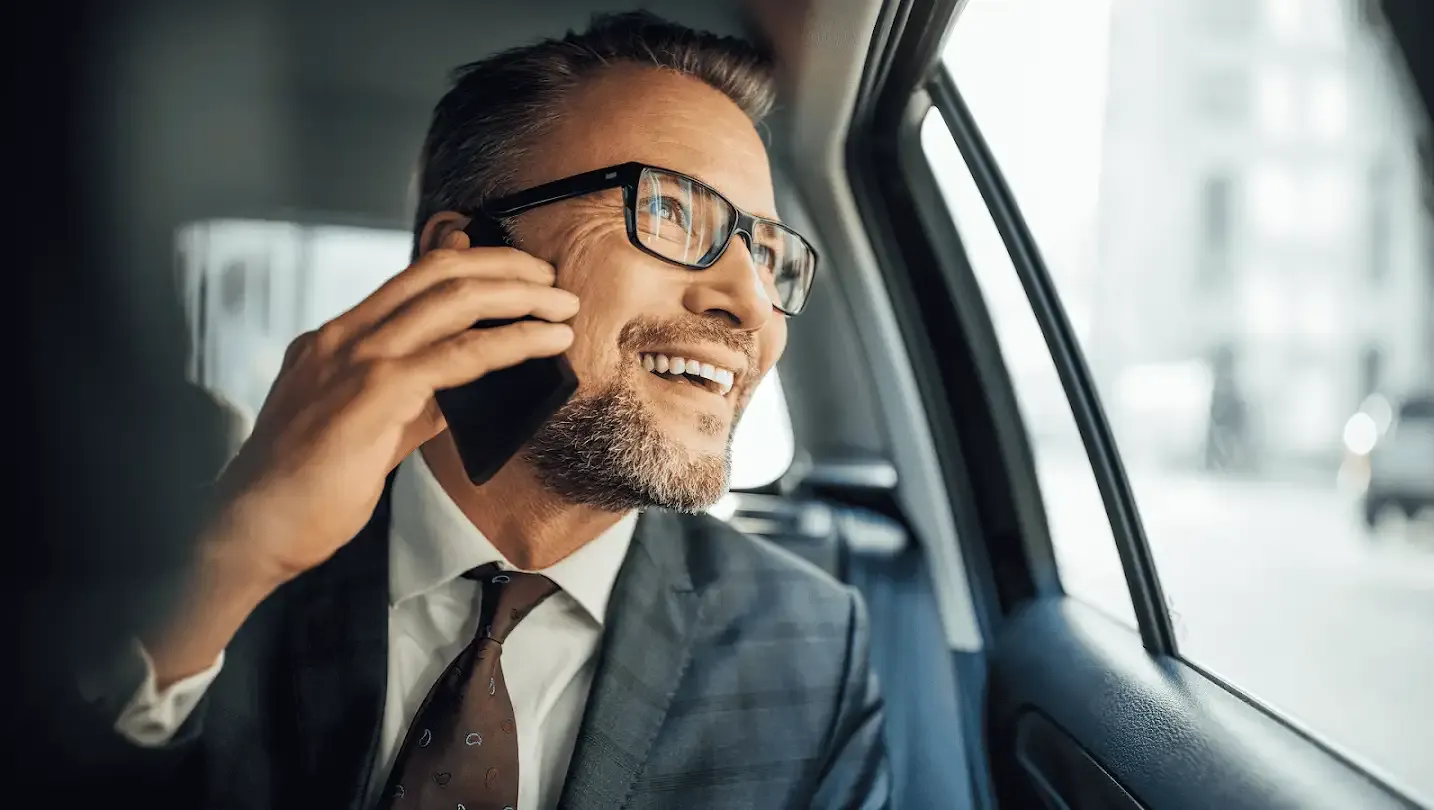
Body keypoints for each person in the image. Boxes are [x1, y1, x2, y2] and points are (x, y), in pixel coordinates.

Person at [76, 11, 888, 810]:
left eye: (770, 254)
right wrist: (228, 565)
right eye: (671, 211)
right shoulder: (193, 572)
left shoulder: (814, 647)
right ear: (462, 262)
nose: (751, 302)